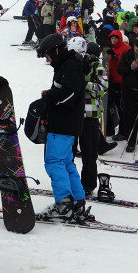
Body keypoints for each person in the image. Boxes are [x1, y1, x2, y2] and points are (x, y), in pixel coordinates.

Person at [35, 34, 89, 222]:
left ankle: (64, 203)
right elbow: (67, 90)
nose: (47, 60)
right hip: (67, 123)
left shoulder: (69, 66)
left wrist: (50, 97)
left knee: (54, 162)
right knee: (66, 162)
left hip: (63, 124)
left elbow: (70, 93)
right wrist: (51, 93)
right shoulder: (67, 65)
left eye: (47, 55)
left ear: (55, 51)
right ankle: (77, 199)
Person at [77, 40, 112, 195]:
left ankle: (88, 185)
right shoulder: (77, 65)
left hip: (90, 115)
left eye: (91, 55)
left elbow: (102, 89)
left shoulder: (97, 67)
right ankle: (71, 182)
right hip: (75, 113)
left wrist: (86, 83)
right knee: (70, 151)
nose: (88, 57)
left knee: (89, 152)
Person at [107, 30, 130, 140]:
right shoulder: (113, 49)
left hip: (122, 82)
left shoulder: (126, 49)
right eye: (112, 38)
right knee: (112, 106)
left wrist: (116, 57)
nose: (114, 40)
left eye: (116, 38)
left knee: (122, 108)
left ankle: (123, 132)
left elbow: (126, 63)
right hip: (112, 81)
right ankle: (110, 128)